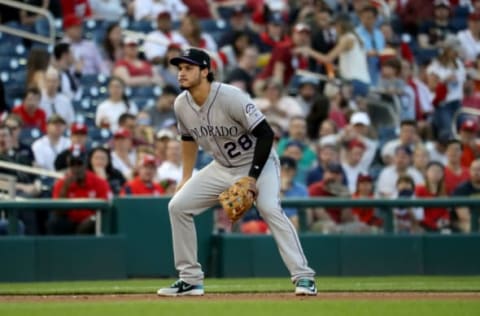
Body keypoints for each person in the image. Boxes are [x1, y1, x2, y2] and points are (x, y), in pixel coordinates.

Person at [156, 48, 316, 296]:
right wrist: (186, 176)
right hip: (221, 166)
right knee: (178, 206)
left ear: (205, 71)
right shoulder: (181, 104)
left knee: (269, 208)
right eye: (180, 68)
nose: (181, 73)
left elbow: (266, 134)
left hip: (258, 163)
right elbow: (187, 139)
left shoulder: (230, 96)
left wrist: (251, 178)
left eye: (188, 68)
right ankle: (190, 279)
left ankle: (304, 276)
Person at [49, 145, 111, 235]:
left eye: (79, 164)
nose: (76, 168)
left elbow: (106, 208)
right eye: (72, 165)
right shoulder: (62, 183)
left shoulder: (99, 182)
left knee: (96, 222)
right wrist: (65, 188)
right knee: (55, 222)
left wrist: (91, 219)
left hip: (91, 223)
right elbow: (58, 212)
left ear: (85, 165)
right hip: (70, 222)